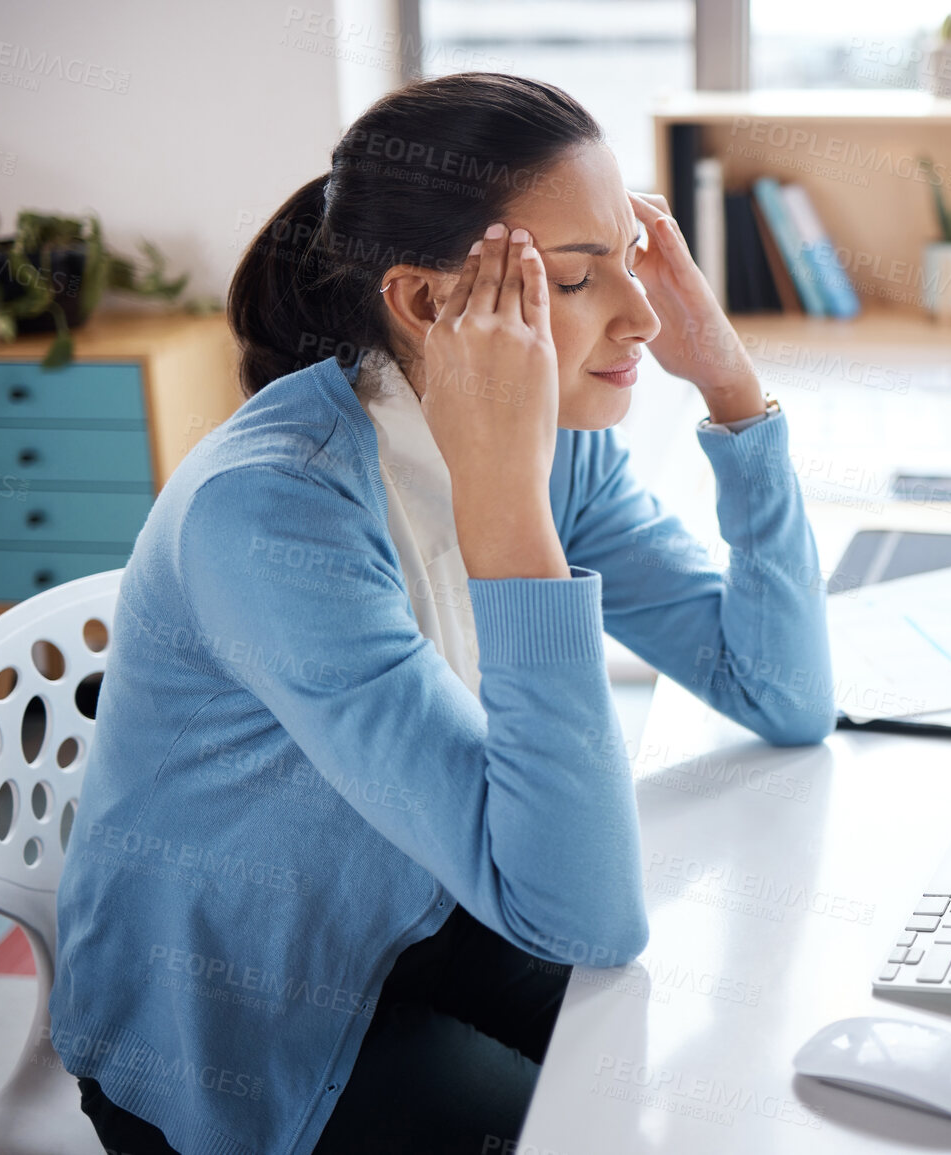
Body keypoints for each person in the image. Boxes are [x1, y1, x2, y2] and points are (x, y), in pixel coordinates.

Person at [48, 72, 834, 1155]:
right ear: (424, 303)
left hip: (420, 891)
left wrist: (733, 387)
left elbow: (782, 695)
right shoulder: (270, 514)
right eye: (577, 279)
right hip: (242, 1011)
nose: (646, 317)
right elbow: (585, 911)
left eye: (638, 262)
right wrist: (504, 502)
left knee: (703, 1074)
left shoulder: (563, 455)